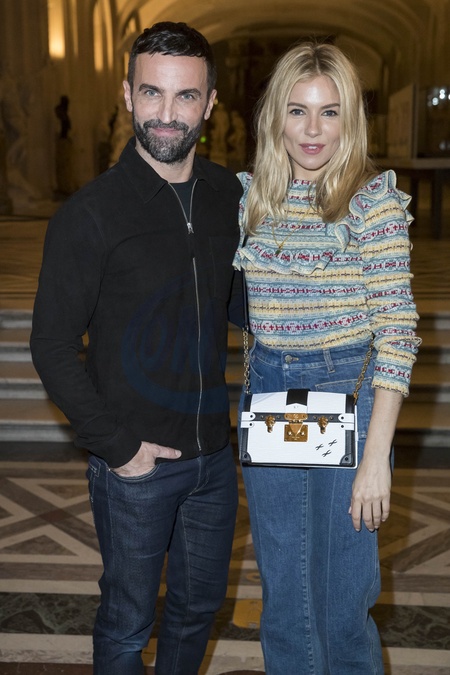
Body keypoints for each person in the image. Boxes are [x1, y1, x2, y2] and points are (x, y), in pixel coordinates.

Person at [30, 22, 243, 675]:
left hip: (214, 458)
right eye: (152, 93)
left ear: (210, 103)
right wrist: (118, 448)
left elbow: (241, 307)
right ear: (127, 95)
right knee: (127, 624)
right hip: (137, 465)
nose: (167, 113)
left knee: (197, 608)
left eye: (186, 96)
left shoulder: (228, 197)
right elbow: (52, 345)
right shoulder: (90, 213)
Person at [233, 41, 421, 674]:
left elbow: (397, 333)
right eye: (298, 110)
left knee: (342, 598)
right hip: (270, 393)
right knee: (284, 597)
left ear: (350, 120)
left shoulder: (371, 202)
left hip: (351, 393)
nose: (313, 130)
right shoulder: (255, 200)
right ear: (276, 118)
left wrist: (376, 460)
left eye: (329, 111)